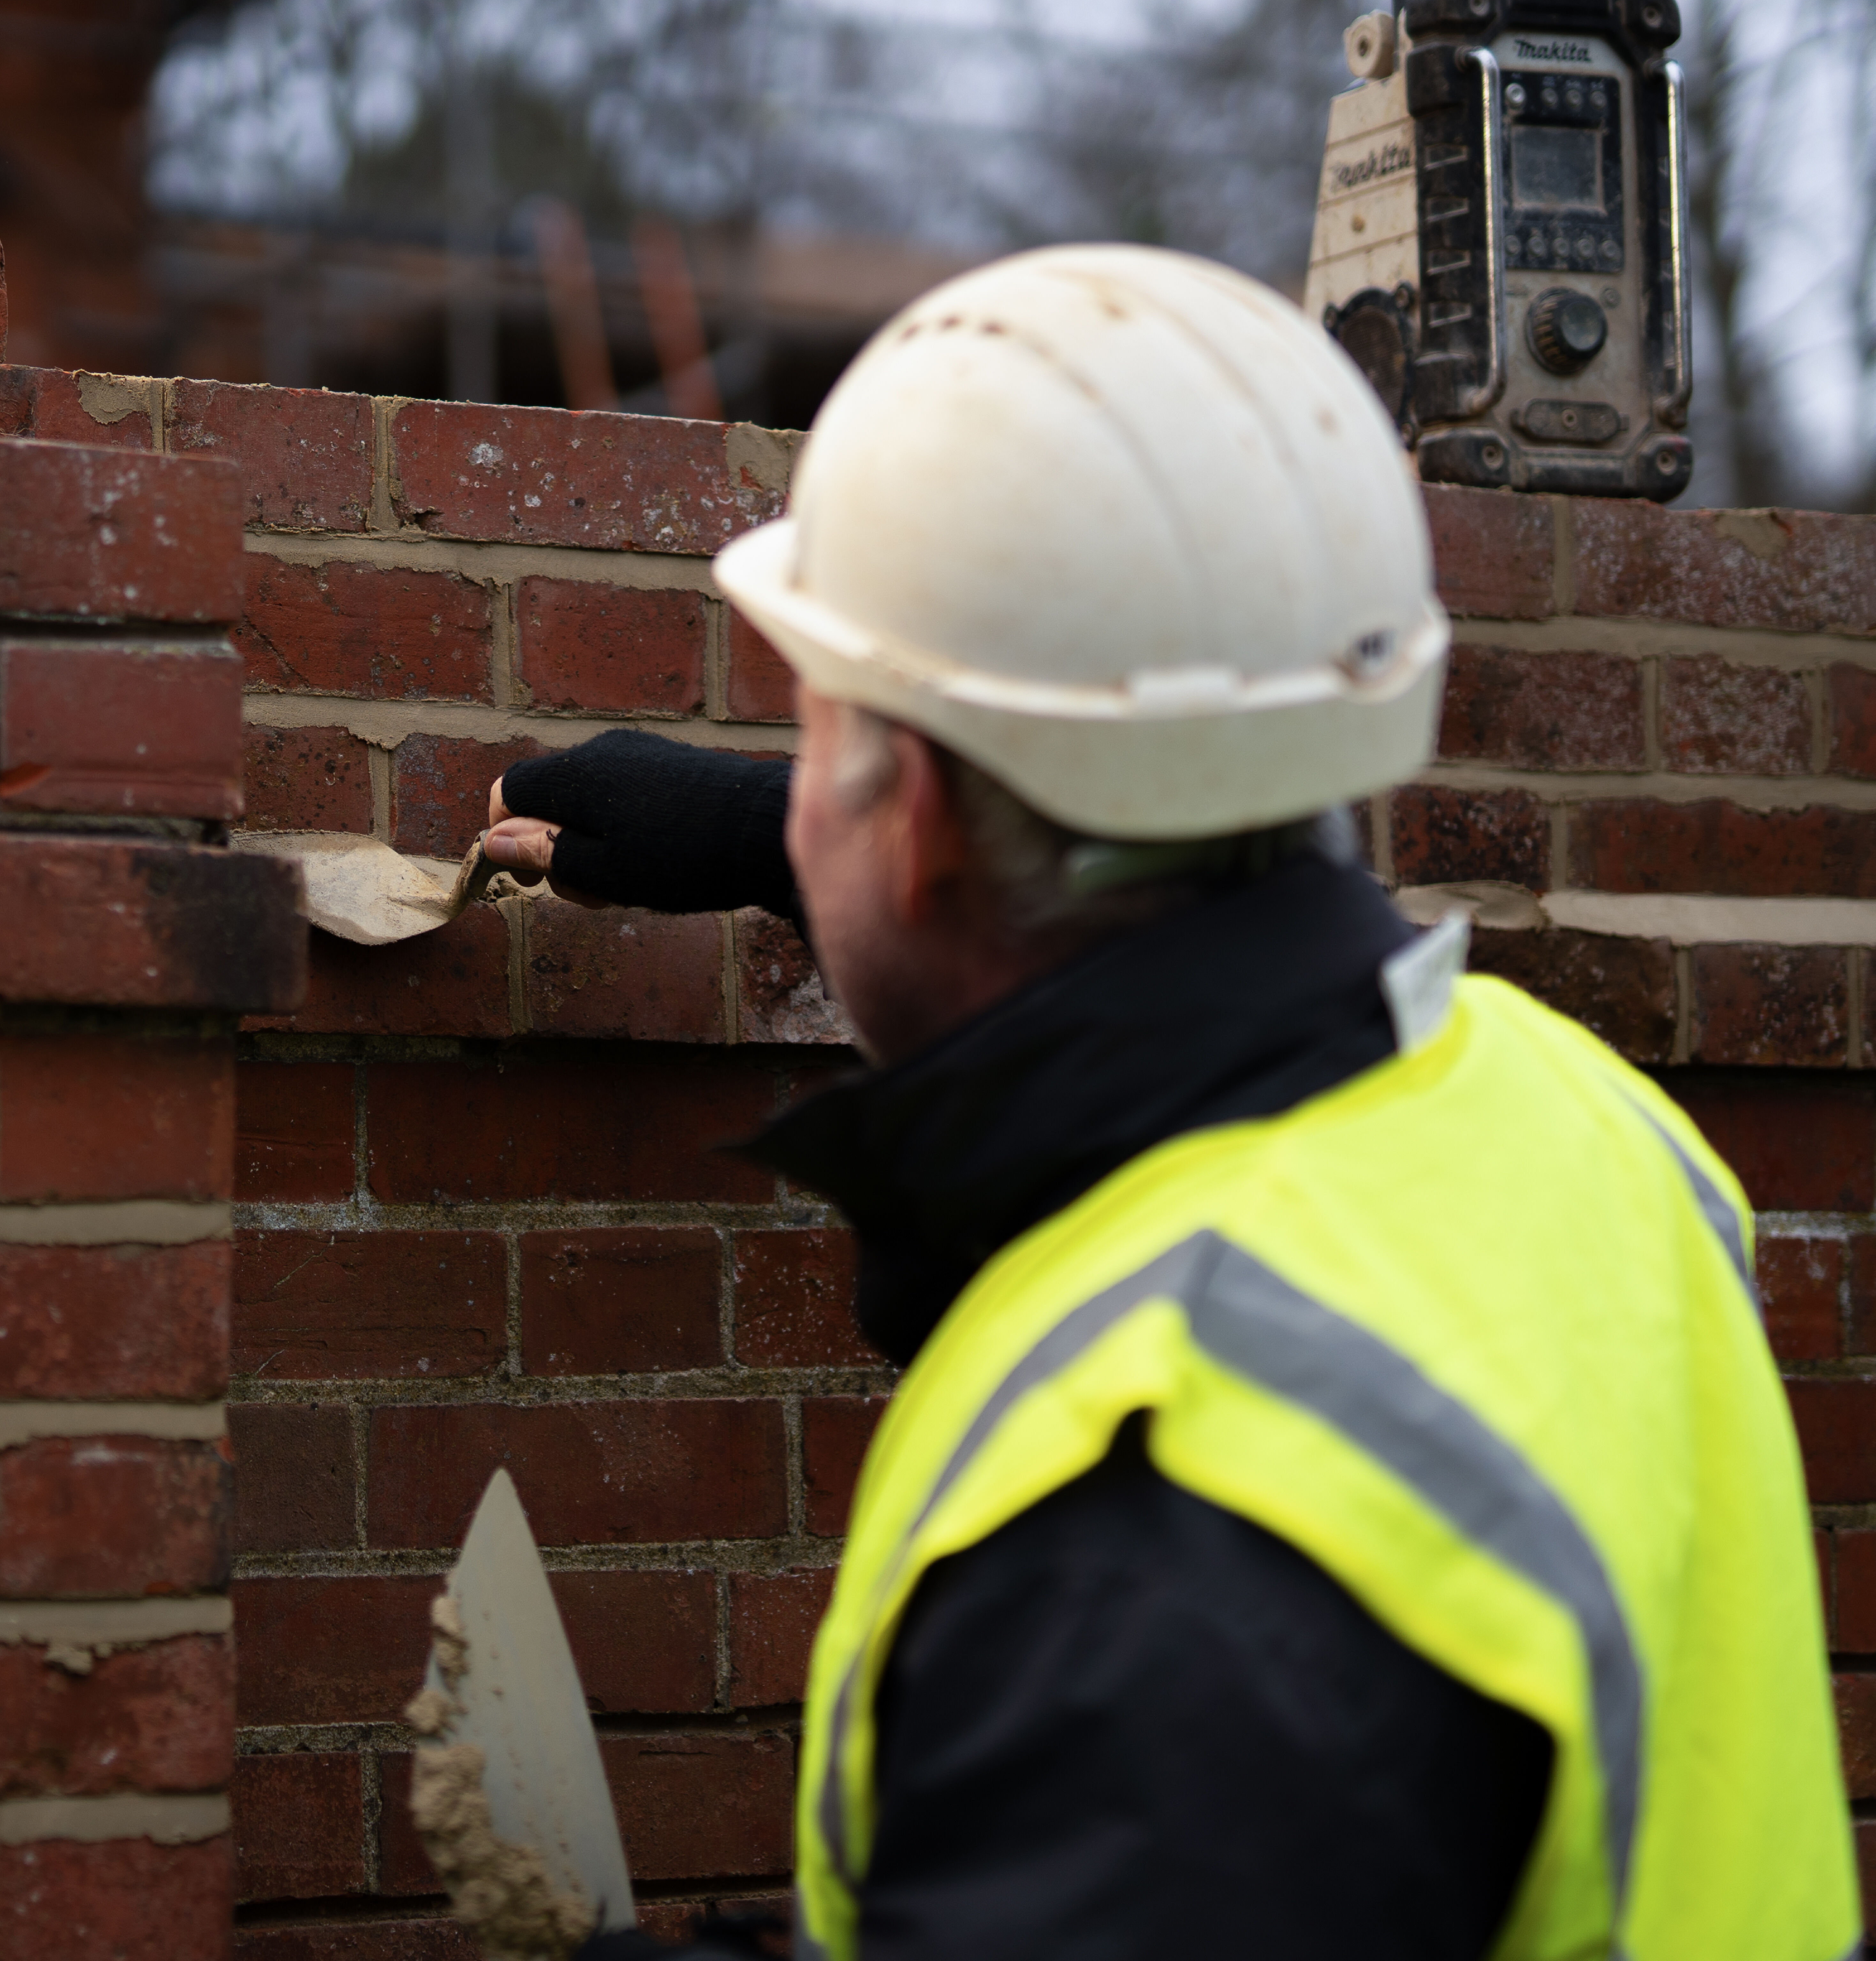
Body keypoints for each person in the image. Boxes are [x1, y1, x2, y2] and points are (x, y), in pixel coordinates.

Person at [483, 247, 1856, 1961]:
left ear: (908, 822)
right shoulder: (1587, 1124)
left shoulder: (1160, 1503)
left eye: (821, 738)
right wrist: (792, 834)